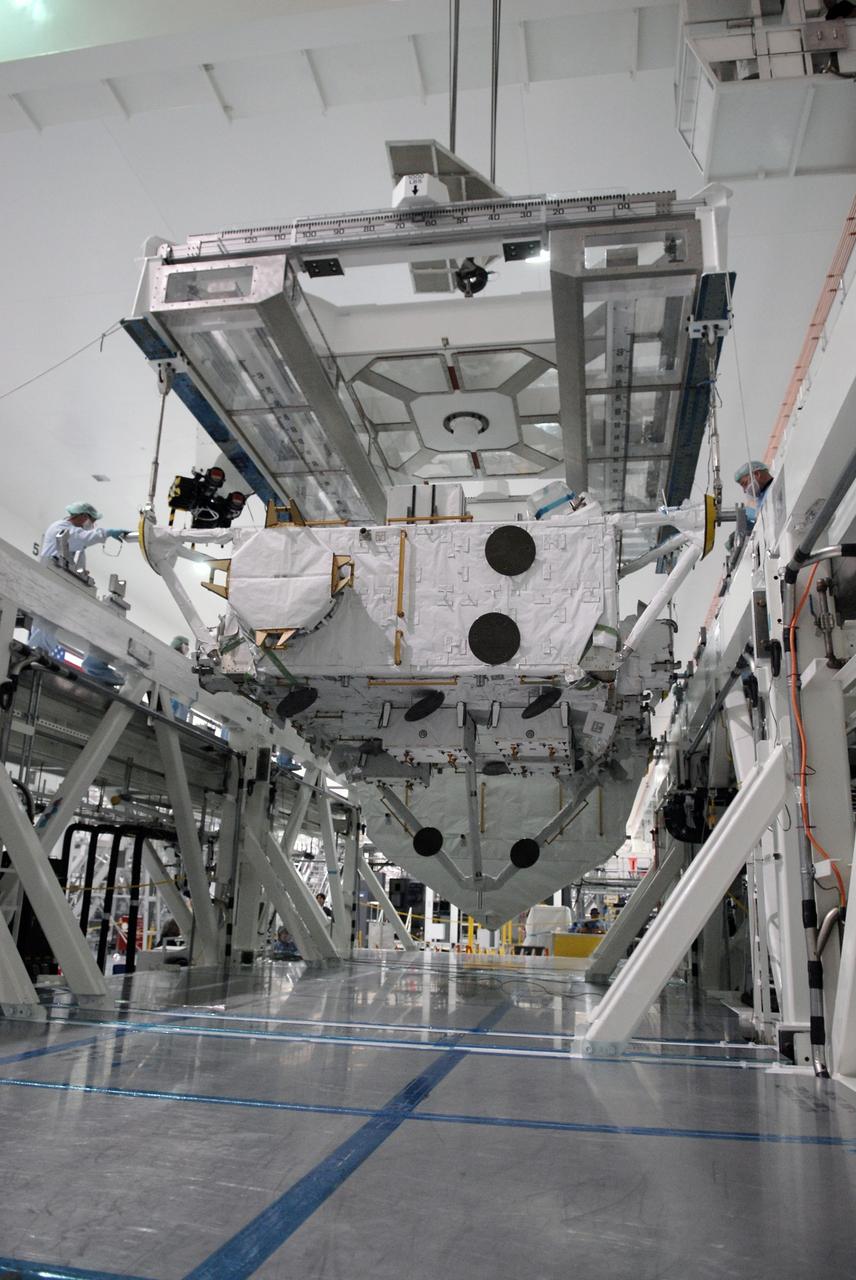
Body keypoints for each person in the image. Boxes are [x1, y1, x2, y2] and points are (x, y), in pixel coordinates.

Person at [31, 502, 130, 681]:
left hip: (62, 584)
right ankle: (37, 653)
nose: (92, 524)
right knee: (44, 624)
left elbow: (75, 554)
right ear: (83, 516)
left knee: (50, 624)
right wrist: (107, 533)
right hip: (53, 580)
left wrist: (81, 573)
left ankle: (91, 666)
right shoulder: (61, 528)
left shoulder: (71, 533)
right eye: (92, 520)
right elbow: (81, 538)